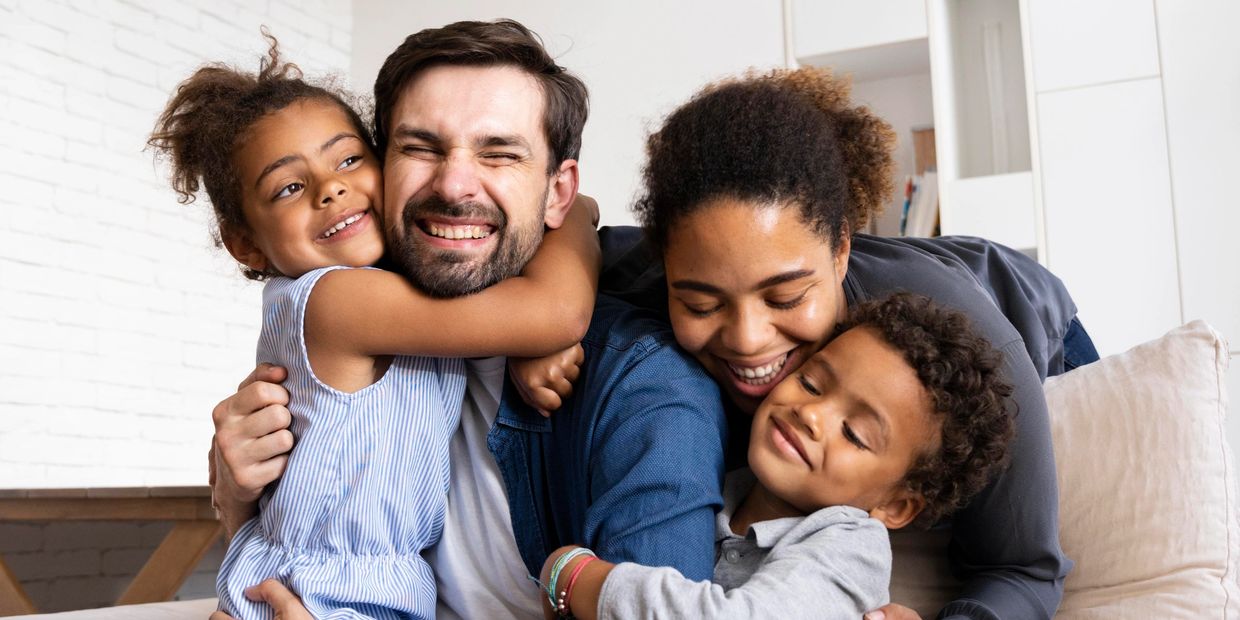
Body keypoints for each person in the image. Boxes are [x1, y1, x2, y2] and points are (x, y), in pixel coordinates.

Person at [206, 20, 728, 619]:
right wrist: (237, 493)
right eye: (420, 148)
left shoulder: (640, 386)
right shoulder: (356, 307)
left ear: (557, 191)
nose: (454, 186)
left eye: (499, 153)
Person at [593, 67, 1099, 619]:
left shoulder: (983, 342)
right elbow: (573, 226)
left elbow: (1023, 569)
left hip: (1023, 320)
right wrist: (555, 328)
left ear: (840, 253)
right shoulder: (684, 253)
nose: (746, 339)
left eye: (784, 299)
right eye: (702, 304)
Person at [150, 35, 599, 618]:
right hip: (324, 592)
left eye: (347, 160)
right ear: (246, 244)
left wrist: (525, 348)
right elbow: (552, 314)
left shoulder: (389, 293)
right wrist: (578, 217)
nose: (330, 188)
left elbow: (517, 318)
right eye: (288, 188)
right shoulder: (338, 300)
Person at [538, 293, 1016, 620]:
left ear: (895, 506)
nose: (811, 415)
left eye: (853, 433)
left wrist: (577, 579)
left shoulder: (849, 549)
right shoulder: (715, 483)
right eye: (810, 382)